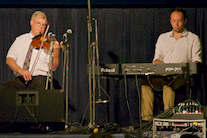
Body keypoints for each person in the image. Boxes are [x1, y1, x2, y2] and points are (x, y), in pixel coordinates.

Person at [141, 7, 202, 122]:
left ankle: (167, 119)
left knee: (168, 83)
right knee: (146, 82)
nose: (176, 24)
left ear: (185, 21)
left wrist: (184, 68)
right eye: (174, 21)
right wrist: (165, 68)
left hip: (181, 77)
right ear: (170, 21)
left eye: (179, 21)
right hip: (163, 74)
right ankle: (146, 120)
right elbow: (156, 59)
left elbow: (196, 61)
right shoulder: (163, 38)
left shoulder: (193, 38)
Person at [0, 11, 61, 91]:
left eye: (44, 25)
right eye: (38, 23)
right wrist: (21, 70)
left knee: (41, 85)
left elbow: (54, 67)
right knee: (3, 88)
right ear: (32, 22)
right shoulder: (20, 40)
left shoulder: (47, 42)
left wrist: (56, 52)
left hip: (40, 79)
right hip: (21, 78)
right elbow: (9, 59)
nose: (41, 27)